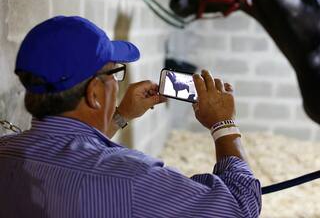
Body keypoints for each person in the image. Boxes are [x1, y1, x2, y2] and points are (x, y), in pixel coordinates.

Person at [0, 16, 262, 218]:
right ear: (94, 93)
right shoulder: (133, 178)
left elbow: (68, 153)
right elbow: (239, 207)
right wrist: (223, 124)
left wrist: (120, 116)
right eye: (114, 74)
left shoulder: (6, 149)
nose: (116, 83)